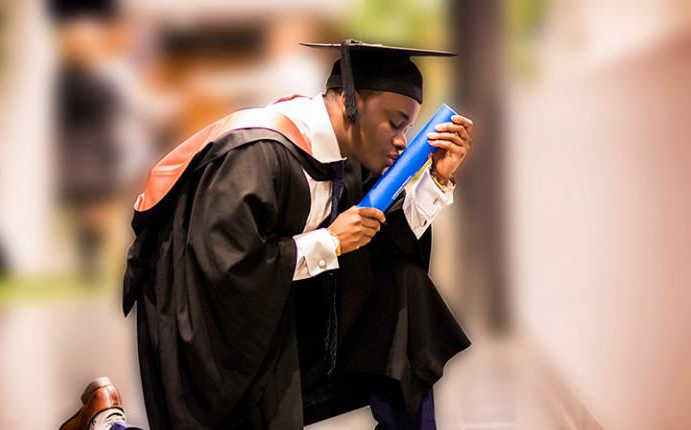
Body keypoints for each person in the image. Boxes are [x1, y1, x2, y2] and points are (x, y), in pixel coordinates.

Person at [122, 39, 474, 429]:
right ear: (352, 103)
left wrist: (438, 179)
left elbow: (384, 244)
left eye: (408, 126)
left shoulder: (342, 156)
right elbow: (225, 270)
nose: (401, 141)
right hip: (215, 335)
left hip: (284, 319)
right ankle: (106, 422)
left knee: (405, 289)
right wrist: (331, 242)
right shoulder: (256, 154)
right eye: (395, 122)